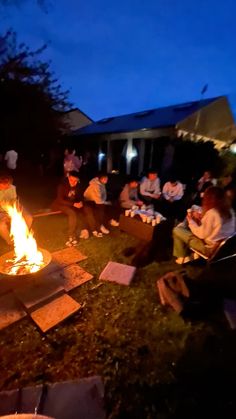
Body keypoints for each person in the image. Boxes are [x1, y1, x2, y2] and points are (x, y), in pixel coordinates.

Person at [173, 186, 235, 264]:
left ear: (209, 199)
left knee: (177, 230)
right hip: (226, 248)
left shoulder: (213, 213)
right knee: (194, 209)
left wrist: (191, 221)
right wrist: (201, 217)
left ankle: (183, 256)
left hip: (210, 249)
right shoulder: (230, 210)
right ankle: (183, 228)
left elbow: (201, 234)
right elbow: (215, 225)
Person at [52, 170, 102, 245]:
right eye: (72, 180)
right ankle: (71, 235)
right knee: (72, 213)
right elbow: (60, 199)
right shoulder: (62, 185)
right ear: (68, 177)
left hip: (73, 204)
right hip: (61, 204)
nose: (73, 182)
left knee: (87, 208)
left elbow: (80, 196)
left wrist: (81, 202)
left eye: (76, 181)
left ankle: (94, 229)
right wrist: (73, 204)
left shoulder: (78, 185)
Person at [0, 173, 32, 245]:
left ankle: (23, 236)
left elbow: (13, 200)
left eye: (8, 185)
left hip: (12, 208)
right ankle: (11, 242)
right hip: (1, 212)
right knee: (1, 226)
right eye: (3, 186)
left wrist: (16, 207)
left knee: (29, 218)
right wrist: (5, 215)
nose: (7, 187)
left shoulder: (12, 187)